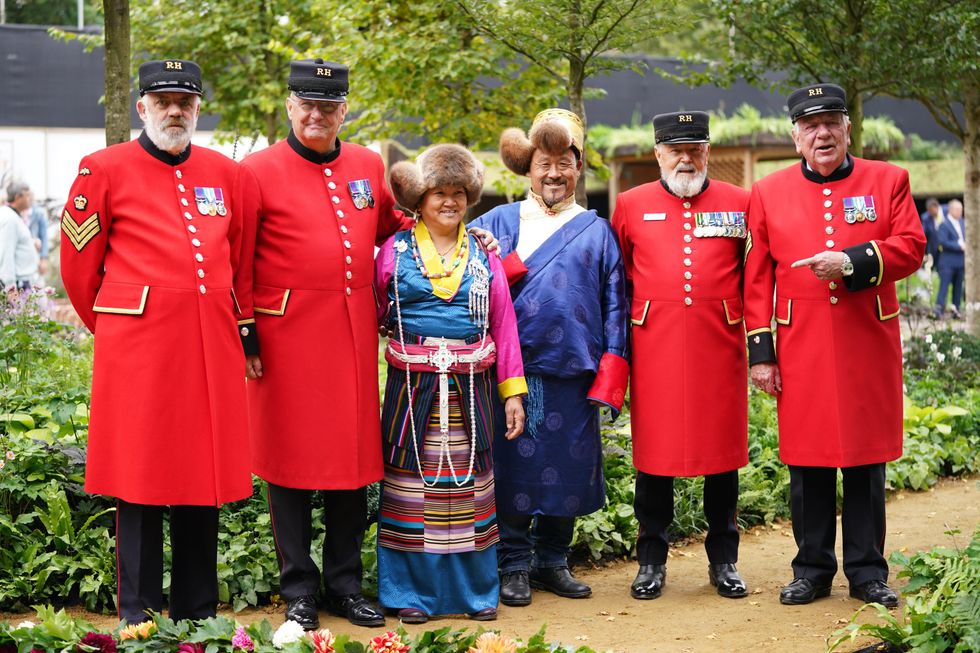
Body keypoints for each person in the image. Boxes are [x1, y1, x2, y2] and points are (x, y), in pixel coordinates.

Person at [236, 59, 496, 629]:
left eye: (328, 107)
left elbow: (396, 229)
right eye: (306, 104)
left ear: (343, 111)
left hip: (352, 341)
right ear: (288, 106)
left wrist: (459, 234)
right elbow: (239, 259)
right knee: (290, 468)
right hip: (285, 342)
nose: (316, 115)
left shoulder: (365, 164)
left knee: (354, 468)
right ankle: (299, 590)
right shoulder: (255, 170)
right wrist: (247, 332)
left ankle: (345, 584)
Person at [60, 60, 252, 624]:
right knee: (138, 479)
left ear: (197, 110)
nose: (175, 110)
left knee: (201, 477)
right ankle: (137, 615)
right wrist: (120, 329)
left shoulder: (227, 175)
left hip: (207, 350)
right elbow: (78, 269)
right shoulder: (102, 169)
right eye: (163, 100)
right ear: (141, 107)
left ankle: (196, 614)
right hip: (138, 352)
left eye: (185, 102)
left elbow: (236, 258)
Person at [744, 83, 925, 608]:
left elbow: (911, 246)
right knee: (809, 460)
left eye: (831, 121)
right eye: (809, 124)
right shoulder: (767, 192)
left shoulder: (888, 180)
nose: (821, 132)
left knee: (867, 462)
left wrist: (852, 261)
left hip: (867, 343)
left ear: (848, 128)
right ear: (794, 135)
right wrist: (762, 353)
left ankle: (868, 572)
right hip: (800, 346)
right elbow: (756, 279)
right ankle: (812, 569)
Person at [470, 109, 629, 607]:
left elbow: (615, 305)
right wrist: (487, 257)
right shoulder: (495, 222)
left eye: (565, 161)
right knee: (514, 471)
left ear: (579, 167)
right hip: (511, 374)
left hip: (574, 372)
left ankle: (553, 560)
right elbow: (454, 268)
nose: (554, 172)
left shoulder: (597, 230)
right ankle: (513, 564)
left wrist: (612, 374)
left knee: (570, 471)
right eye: (544, 162)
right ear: (528, 166)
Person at [373, 143, 527, 623]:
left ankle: (476, 594)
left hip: (470, 388)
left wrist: (513, 392)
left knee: (468, 492)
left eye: (458, 193)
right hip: (411, 389)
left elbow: (503, 324)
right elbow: (373, 314)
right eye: (438, 192)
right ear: (418, 200)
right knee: (412, 490)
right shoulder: (391, 254)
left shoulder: (483, 253)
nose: (449, 202)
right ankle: (409, 595)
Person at [611, 111, 749, 601]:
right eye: (676, 150)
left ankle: (725, 561)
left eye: (695, 148)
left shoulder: (740, 202)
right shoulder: (629, 205)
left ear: (708, 151)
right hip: (655, 348)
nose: (686, 158)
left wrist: (759, 346)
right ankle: (650, 561)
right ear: (658, 154)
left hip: (720, 346)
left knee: (722, 459)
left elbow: (753, 277)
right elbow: (620, 279)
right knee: (654, 460)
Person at [0, 182, 39, 291]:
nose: (30, 199)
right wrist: (10, 286)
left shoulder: (14, 215)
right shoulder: (9, 219)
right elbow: (6, 253)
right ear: (18, 197)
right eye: (27, 195)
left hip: (23, 281)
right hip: (17, 283)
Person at [934, 198, 965, 319]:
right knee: (944, 288)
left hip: (960, 262)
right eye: (957, 209)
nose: (960, 212)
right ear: (950, 210)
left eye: (961, 209)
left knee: (958, 288)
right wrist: (959, 245)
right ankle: (938, 312)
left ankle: (956, 311)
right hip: (947, 262)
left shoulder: (963, 222)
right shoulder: (944, 224)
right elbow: (943, 242)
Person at [919, 197, 944, 273]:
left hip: (946, 248)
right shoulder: (926, 217)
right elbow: (923, 233)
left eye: (932, 210)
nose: (931, 213)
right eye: (929, 211)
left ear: (937, 207)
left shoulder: (947, 211)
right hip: (933, 248)